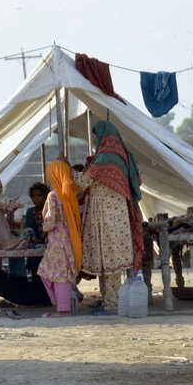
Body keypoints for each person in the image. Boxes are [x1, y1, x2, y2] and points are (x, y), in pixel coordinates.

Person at [72, 121, 144, 313]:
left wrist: (69, 170)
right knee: (108, 261)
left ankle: (112, 304)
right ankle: (108, 300)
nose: (93, 140)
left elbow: (83, 183)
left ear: (103, 135)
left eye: (94, 136)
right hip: (115, 215)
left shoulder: (105, 159)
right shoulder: (121, 157)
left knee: (110, 261)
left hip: (106, 216)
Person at [38, 161, 83, 315]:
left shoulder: (53, 195)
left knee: (51, 273)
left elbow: (51, 221)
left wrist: (43, 226)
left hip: (57, 240)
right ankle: (67, 300)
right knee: (61, 273)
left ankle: (62, 305)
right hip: (69, 238)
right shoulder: (69, 194)